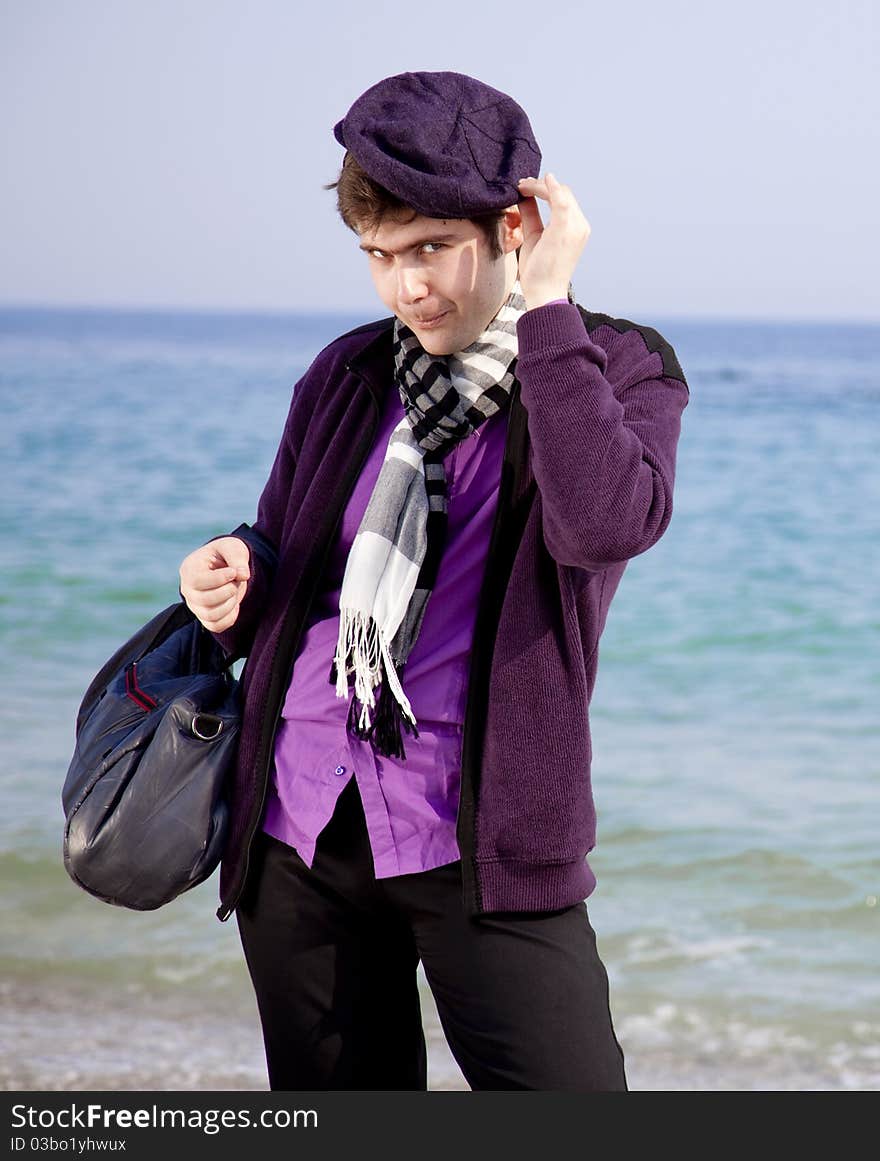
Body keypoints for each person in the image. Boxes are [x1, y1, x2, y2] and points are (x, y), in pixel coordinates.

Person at [178, 70, 689, 1092]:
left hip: (487, 842)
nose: (407, 289)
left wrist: (548, 309)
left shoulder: (616, 367)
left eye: (429, 251)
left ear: (512, 227)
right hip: (300, 826)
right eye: (378, 257)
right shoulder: (349, 372)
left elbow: (605, 523)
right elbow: (284, 549)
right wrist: (230, 575)